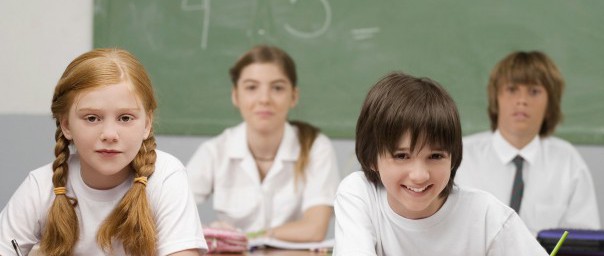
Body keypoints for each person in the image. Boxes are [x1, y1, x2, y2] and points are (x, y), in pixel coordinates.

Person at [0, 48, 207, 256]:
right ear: (66, 125)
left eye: (125, 118)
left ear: (147, 124)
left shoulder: (165, 177)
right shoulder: (41, 186)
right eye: (92, 118)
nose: (109, 134)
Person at [333, 72, 548, 255]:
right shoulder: (360, 195)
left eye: (435, 156)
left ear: (453, 157)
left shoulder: (487, 217)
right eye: (401, 156)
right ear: (371, 158)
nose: (419, 175)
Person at [186, 45, 340, 252]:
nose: (264, 99)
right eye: (251, 87)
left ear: (293, 96)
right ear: (235, 96)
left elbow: (314, 228)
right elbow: (171, 212)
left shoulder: (315, 147)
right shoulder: (214, 151)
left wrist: (246, 237)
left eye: (277, 88)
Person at [455, 51, 600, 235]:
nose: (522, 101)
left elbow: (584, 241)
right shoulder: (461, 156)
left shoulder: (567, 162)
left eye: (534, 91)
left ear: (550, 104)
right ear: (496, 99)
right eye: (512, 89)